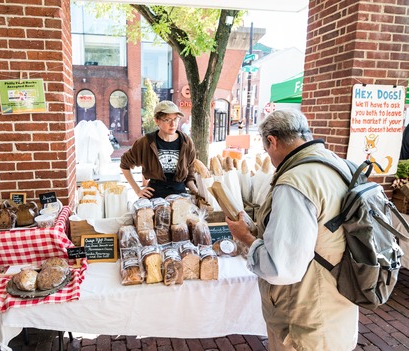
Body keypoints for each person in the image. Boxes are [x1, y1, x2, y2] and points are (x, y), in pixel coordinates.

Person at [225, 109, 359, 351]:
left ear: (272, 141)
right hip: (338, 304)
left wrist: (245, 236)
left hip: (305, 317)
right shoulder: (337, 163)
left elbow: (281, 267)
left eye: (266, 148)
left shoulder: (295, 182)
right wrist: (258, 229)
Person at [120, 100, 199, 199]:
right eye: (167, 119)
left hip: (180, 196)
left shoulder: (186, 142)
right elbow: (124, 164)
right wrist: (138, 190)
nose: (173, 124)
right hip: (154, 196)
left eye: (176, 119)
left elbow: (190, 173)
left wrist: (196, 192)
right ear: (157, 120)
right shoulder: (146, 142)